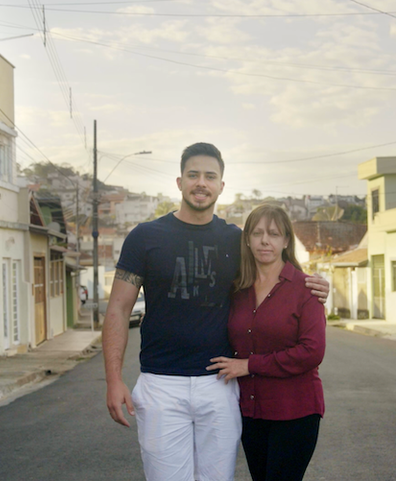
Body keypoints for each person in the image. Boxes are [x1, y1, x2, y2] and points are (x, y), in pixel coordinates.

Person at [102, 143, 328, 481]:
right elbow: (119, 309)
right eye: (193, 174)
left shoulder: (236, 240)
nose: (201, 183)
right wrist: (113, 379)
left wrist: (315, 284)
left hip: (219, 384)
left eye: (210, 176)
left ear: (221, 185)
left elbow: (274, 268)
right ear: (179, 182)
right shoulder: (145, 237)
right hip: (161, 383)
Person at [208, 204, 326, 481]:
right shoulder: (237, 290)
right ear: (247, 240)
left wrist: (249, 365)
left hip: (295, 411)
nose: (264, 241)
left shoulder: (306, 288)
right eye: (257, 233)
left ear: (286, 241)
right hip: (251, 412)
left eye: (273, 234)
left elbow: (312, 352)